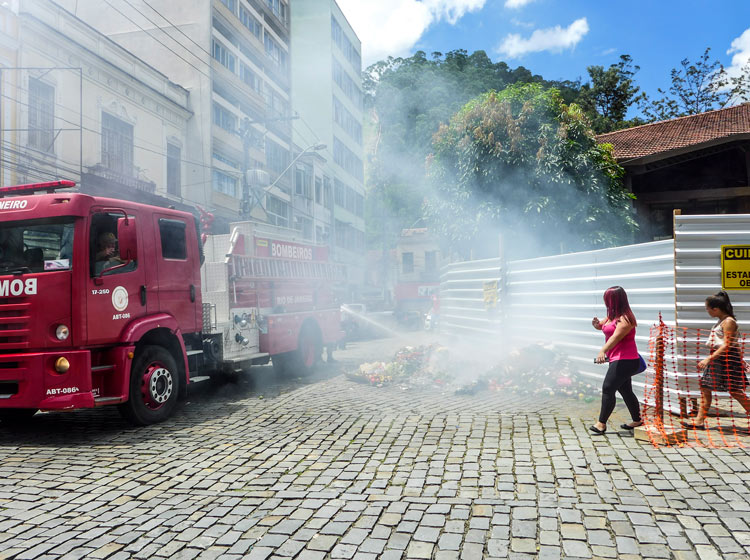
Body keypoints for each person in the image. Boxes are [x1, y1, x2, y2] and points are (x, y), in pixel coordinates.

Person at [682, 291, 750, 429]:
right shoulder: (721, 321)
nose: (707, 311)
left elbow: (727, 344)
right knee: (706, 388)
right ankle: (699, 421)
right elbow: (733, 343)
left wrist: (708, 358)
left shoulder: (729, 322)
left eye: (707, 308)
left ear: (716, 309)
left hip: (727, 359)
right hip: (718, 358)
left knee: (735, 391)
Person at [590, 286, 643, 435]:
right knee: (625, 390)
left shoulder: (625, 318)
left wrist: (603, 351)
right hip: (618, 360)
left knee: (608, 388)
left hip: (626, 360)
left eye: (607, 299)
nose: (606, 302)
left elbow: (615, 337)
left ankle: (601, 424)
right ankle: (637, 420)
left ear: (614, 301)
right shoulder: (611, 316)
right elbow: (604, 327)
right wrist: (597, 326)